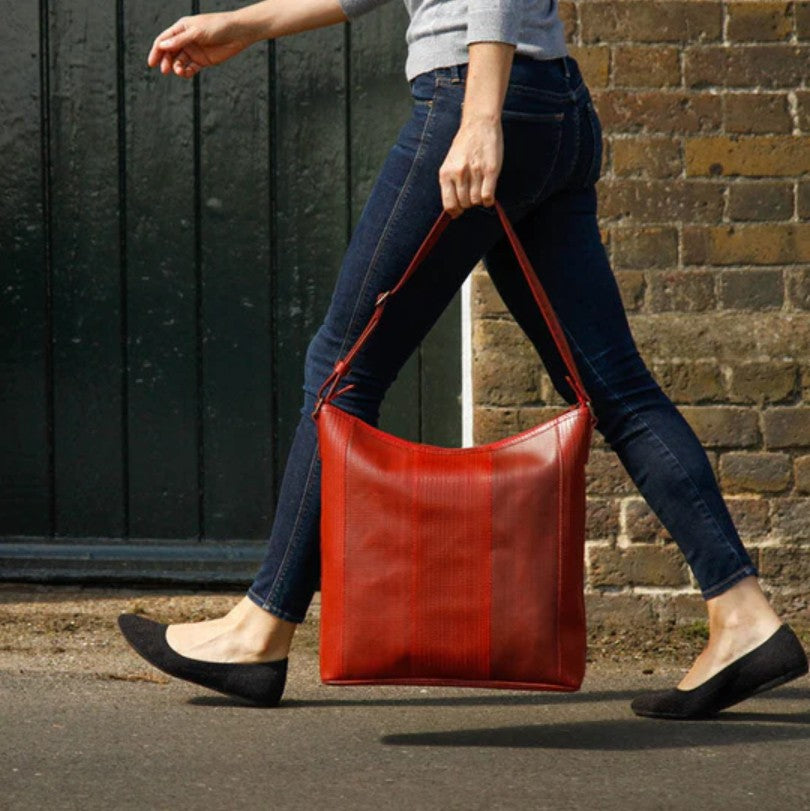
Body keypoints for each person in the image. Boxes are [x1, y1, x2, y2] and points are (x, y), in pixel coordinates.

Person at [117, 0, 808, 718]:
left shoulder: (478, 103)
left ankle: (259, 626)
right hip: (553, 105)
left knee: (341, 369)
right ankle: (743, 614)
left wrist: (480, 116)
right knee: (616, 388)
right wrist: (250, 23)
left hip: (477, 95)